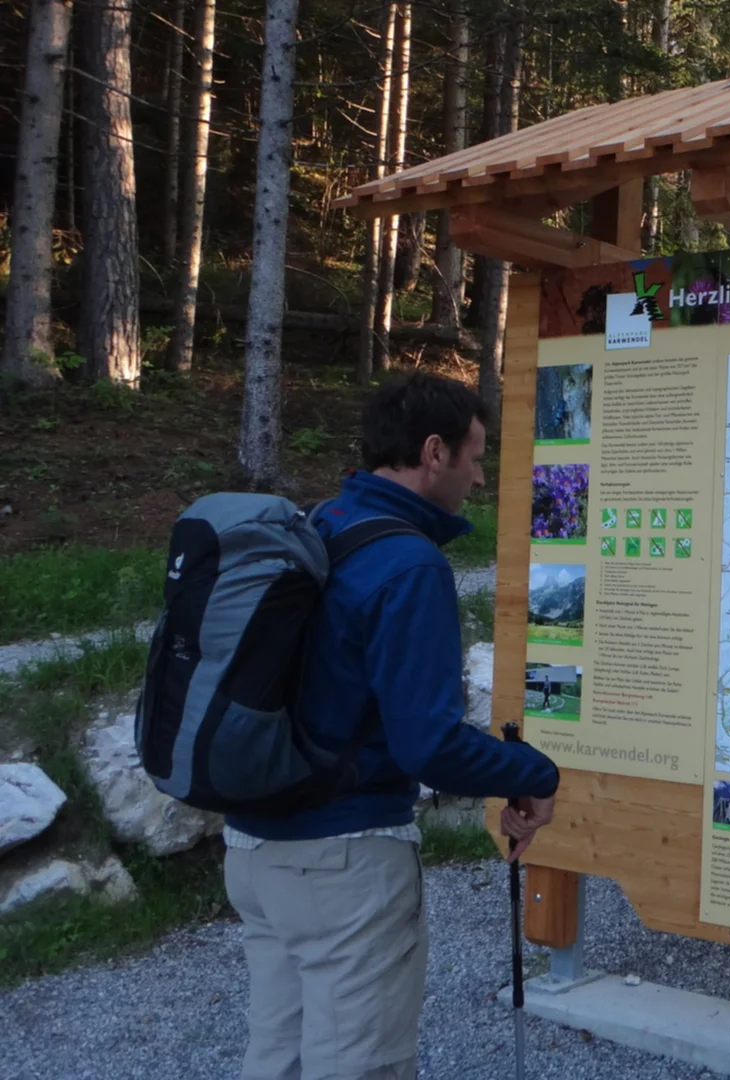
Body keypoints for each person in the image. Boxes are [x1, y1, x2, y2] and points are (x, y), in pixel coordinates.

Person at [223, 373, 561, 1080]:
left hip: (254, 849)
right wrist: (535, 773)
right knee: (359, 1064)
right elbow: (428, 744)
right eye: (475, 457)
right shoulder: (409, 563)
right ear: (434, 452)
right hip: (343, 862)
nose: (479, 477)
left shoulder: (320, 525)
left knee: (278, 1055)